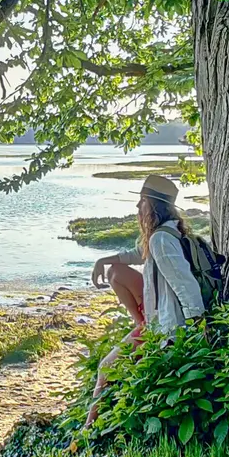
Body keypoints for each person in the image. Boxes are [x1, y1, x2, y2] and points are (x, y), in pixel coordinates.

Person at [84, 174, 206, 426]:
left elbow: (186, 286)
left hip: (166, 329)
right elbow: (137, 254)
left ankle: (87, 432)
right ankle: (91, 428)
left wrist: (197, 330)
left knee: (106, 368)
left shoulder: (161, 239)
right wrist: (103, 260)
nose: (138, 207)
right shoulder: (168, 233)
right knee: (115, 271)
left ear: (153, 206)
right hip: (159, 324)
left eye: (142, 201)